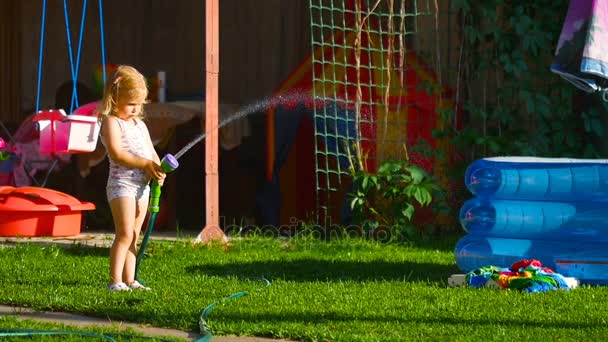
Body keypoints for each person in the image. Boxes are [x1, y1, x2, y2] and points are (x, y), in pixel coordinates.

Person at [98, 65, 166, 291]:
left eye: (139, 104)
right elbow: (118, 154)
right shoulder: (111, 122)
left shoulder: (140, 125)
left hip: (142, 187)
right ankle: (114, 280)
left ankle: (130, 280)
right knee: (125, 233)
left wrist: (157, 168)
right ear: (114, 97)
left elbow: (151, 151)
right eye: (131, 104)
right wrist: (145, 164)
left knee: (134, 234)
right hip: (122, 185)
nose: (136, 109)